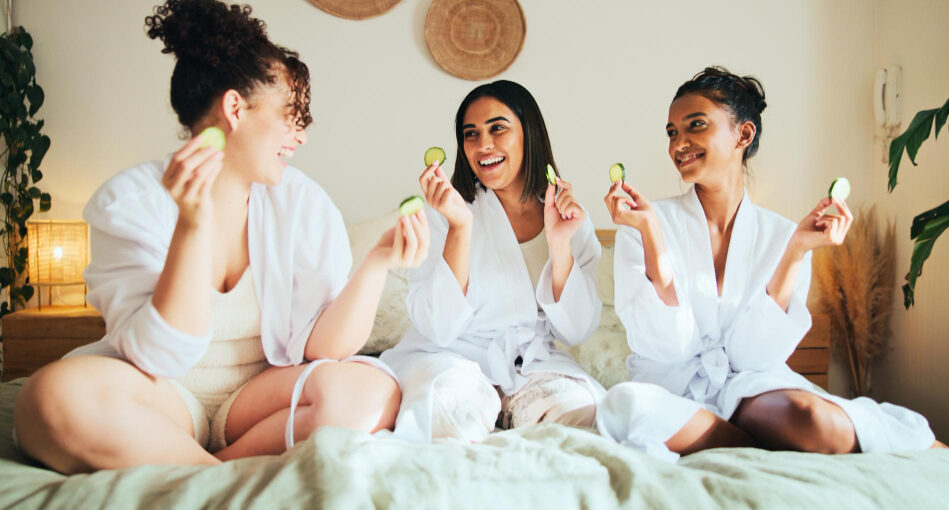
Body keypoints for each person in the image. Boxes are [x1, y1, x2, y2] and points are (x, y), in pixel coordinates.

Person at [13, 0, 429, 474]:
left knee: (372, 392)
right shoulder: (130, 201)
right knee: (45, 400)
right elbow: (158, 356)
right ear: (235, 108)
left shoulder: (304, 204)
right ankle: (218, 478)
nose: (301, 135)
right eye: (291, 114)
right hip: (160, 394)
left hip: (256, 403)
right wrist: (191, 227)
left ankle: (205, 470)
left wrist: (376, 261)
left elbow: (324, 352)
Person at [597, 66, 937, 461]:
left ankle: (922, 445)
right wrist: (652, 236)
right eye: (672, 132)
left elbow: (753, 358)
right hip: (672, 398)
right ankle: (762, 446)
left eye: (696, 126)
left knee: (812, 418)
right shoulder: (643, 224)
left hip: (750, 389)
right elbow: (665, 345)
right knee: (624, 407)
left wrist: (796, 251)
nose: (679, 144)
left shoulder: (782, 234)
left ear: (743, 134)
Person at [381, 80, 606, 442]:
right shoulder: (442, 212)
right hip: (450, 356)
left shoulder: (568, 215)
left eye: (497, 128)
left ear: (528, 134)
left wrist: (560, 243)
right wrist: (459, 226)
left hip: (531, 363)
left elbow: (577, 330)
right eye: (471, 134)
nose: (483, 145)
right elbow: (438, 327)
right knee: (448, 417)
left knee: (582, 416)